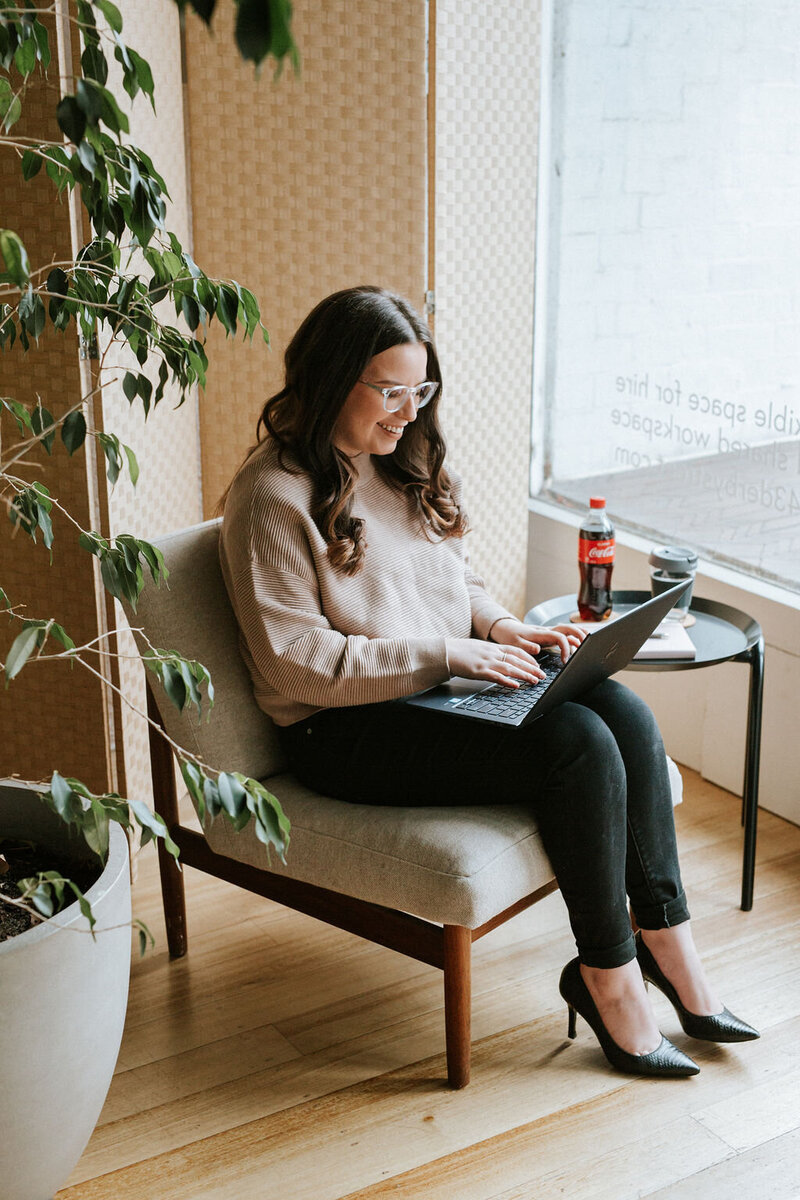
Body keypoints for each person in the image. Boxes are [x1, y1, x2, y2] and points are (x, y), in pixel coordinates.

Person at [219, 285, 758, 1078]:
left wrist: (503, 630)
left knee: (623, 713)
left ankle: (673, 955)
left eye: (421, 389)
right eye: (391, 391)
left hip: (432, 694)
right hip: (341, 731)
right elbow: (298, 664)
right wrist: (448, 656)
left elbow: (452, 582)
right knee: (576, 743)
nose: (408, 412)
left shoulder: (404, 461)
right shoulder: (272, 498)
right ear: (331, 378)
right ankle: (608, 982)